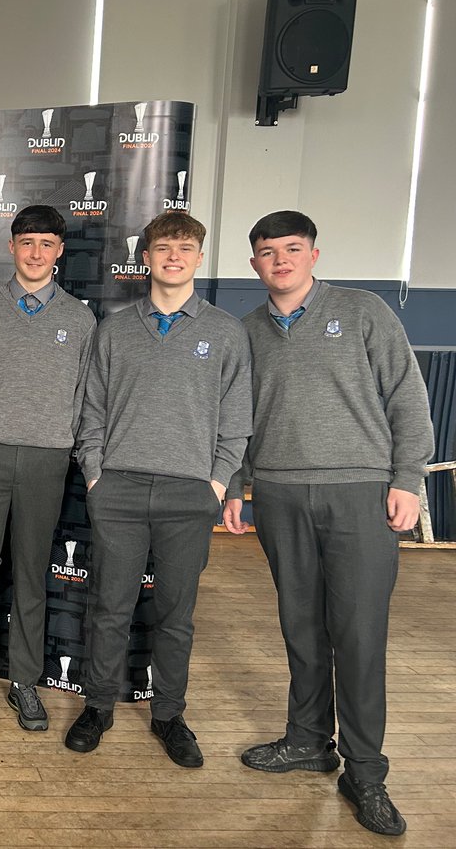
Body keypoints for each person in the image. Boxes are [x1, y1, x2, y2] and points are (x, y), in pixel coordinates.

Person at [223, 210, 433, 836]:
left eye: (292, 248)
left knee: (359, 637)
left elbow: (406, 397)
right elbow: (235, 416)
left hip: (360, 494)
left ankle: (365, 773)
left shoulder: (366, 312)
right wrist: (237, 485)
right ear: (254, 264)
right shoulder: (247, 331)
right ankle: (308, 740)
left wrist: (406, 479)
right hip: (281, 495)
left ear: (314, 254)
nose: (280, 259)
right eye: (267, 251)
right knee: (302, 628)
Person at [66, 211, 251, 766]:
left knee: (176, 615)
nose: (174, 256)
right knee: (109, 608)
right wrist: (96, 475)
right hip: (118, 491)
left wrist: (216, 483)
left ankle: (169, 715)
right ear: (145, 257)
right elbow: (91, 409)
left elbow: (237, 419)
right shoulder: (115, 329)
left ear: (199, 258)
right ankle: (98, 706)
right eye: (164, 247)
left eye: (186, 247)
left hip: (189, 496)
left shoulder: (225, 332)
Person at [0, 204, 96, 742]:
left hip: (46, 461)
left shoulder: (80, 319)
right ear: (12, 247)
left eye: (47, 243)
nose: (36, 253)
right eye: (27, 242)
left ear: (59, 251)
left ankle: (24, 681)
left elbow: (84, 399)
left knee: (32, 577)